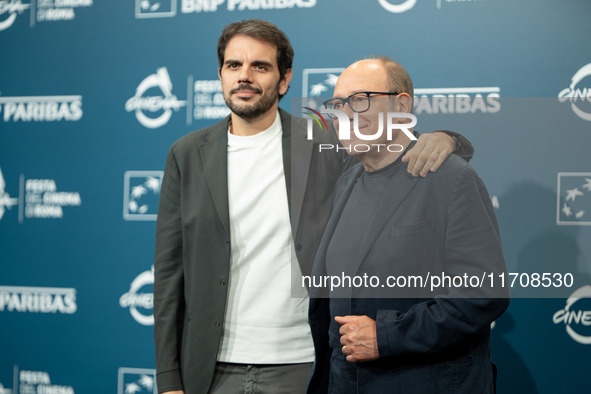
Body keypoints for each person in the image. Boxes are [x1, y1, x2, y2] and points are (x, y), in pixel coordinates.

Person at [154, 20, 473, 394]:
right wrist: (168, 378)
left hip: (302, 362)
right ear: (221, 75)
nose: (245, 76)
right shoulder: (187, 153)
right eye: (233, 65)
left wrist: (447, 139)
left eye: (260, 66)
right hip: (209, 367)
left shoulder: (322, 141)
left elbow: (391, 148)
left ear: (284, 79)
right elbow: (170, 273)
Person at [307, 57, 509, 394]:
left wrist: (385, 337)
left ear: (401, 105)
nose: (345, 115)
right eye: (338, 104)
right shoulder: (346, 181)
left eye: (360, 100)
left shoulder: (451, 178)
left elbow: (483, 294)